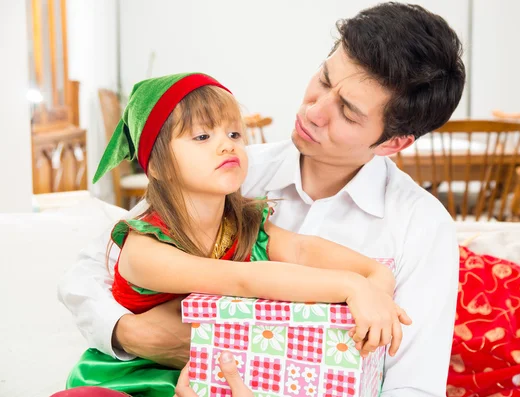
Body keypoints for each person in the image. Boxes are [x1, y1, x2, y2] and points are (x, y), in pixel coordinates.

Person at [58, 2, 466, 396]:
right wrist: (129, 333)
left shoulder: (420, 226)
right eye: (324, 79)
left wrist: (374, 282)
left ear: (394, 142)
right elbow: (93, 269)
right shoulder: (223, 173)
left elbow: (411, 385)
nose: (313, 111)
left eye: (348, 112)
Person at [65, 73, 410, 396]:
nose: (226, 146)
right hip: (132, 382)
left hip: (212, 376)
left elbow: (303, 250)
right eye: (202, 137)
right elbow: (242, 279)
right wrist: (351, 286)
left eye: (233, 134)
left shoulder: (244, 225)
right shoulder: (144, 249)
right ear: (156, 166)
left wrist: (376, 278)